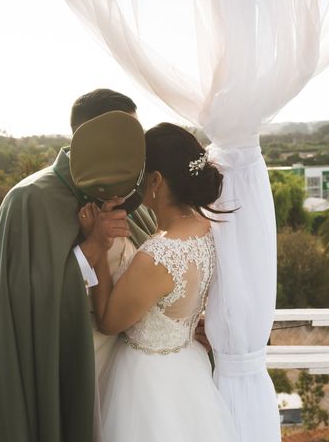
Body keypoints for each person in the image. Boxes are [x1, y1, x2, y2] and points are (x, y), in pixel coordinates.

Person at [0, 90, 156, 442]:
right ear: (95, 134)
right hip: (66, 371)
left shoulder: (131, 199)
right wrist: (93, 246)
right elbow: (28, 304)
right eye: (129, 133)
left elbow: (153, 274)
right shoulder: (30, 200)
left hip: (134, 379)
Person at [77, 122, 239, 442]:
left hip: (147, 383)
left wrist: (101, 246)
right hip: (187, 368)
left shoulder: (157, 256)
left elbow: (110, 321)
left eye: (139, 176)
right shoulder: (205, 228)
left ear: (156, 180)